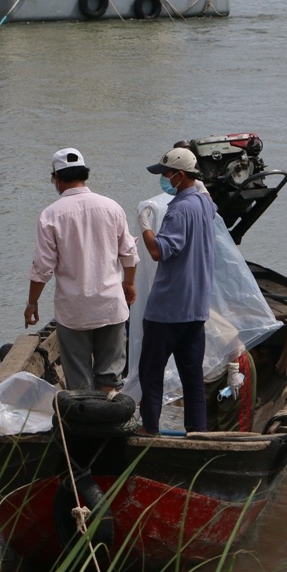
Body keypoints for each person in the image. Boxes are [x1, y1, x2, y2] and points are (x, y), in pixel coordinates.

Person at [25, 148, 139, 392]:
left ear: (57, 178)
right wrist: (129, 284)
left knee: (78, 378)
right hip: (110, 304)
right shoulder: (111, 207)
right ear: (84, 174)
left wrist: (32, 303)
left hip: (73, 310)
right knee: (109, 376)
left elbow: (43, 267)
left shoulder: (50, 215)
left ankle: (85, 422)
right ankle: (107, 419)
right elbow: (129, 255)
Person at [137, 147, 217, 434]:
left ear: (180, 176)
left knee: (151, 374)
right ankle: (197, 431)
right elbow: (210, 201)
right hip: (196, 308)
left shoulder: (180, 209)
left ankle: (150, 431)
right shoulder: (204, 204)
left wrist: (145, 224)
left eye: (167, 174)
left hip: (167, 309)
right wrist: (201, 189)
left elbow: (158, 251)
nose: (164, 179)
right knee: (192, 376)